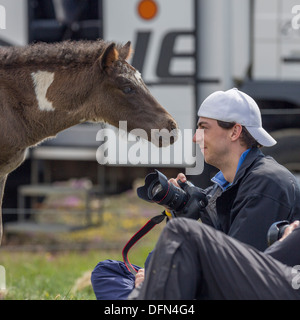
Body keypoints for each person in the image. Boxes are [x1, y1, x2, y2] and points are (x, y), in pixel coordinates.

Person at [91, 88, 300, 299]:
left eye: (203, 128)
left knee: (164, 262)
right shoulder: (222, 187)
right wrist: (177, 211)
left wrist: (163, 275)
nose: (195, 137)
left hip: (257, 289)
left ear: (235, 132)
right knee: (108, 271)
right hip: (224, 279)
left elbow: (238, 271)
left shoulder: (267, 182)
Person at [129, 218, 300, 300]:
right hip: (284, 276)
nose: (197, 144)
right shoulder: (226, 184)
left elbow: (256, 266)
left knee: (182, 232)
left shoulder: (265, 180)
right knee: (106, 270)